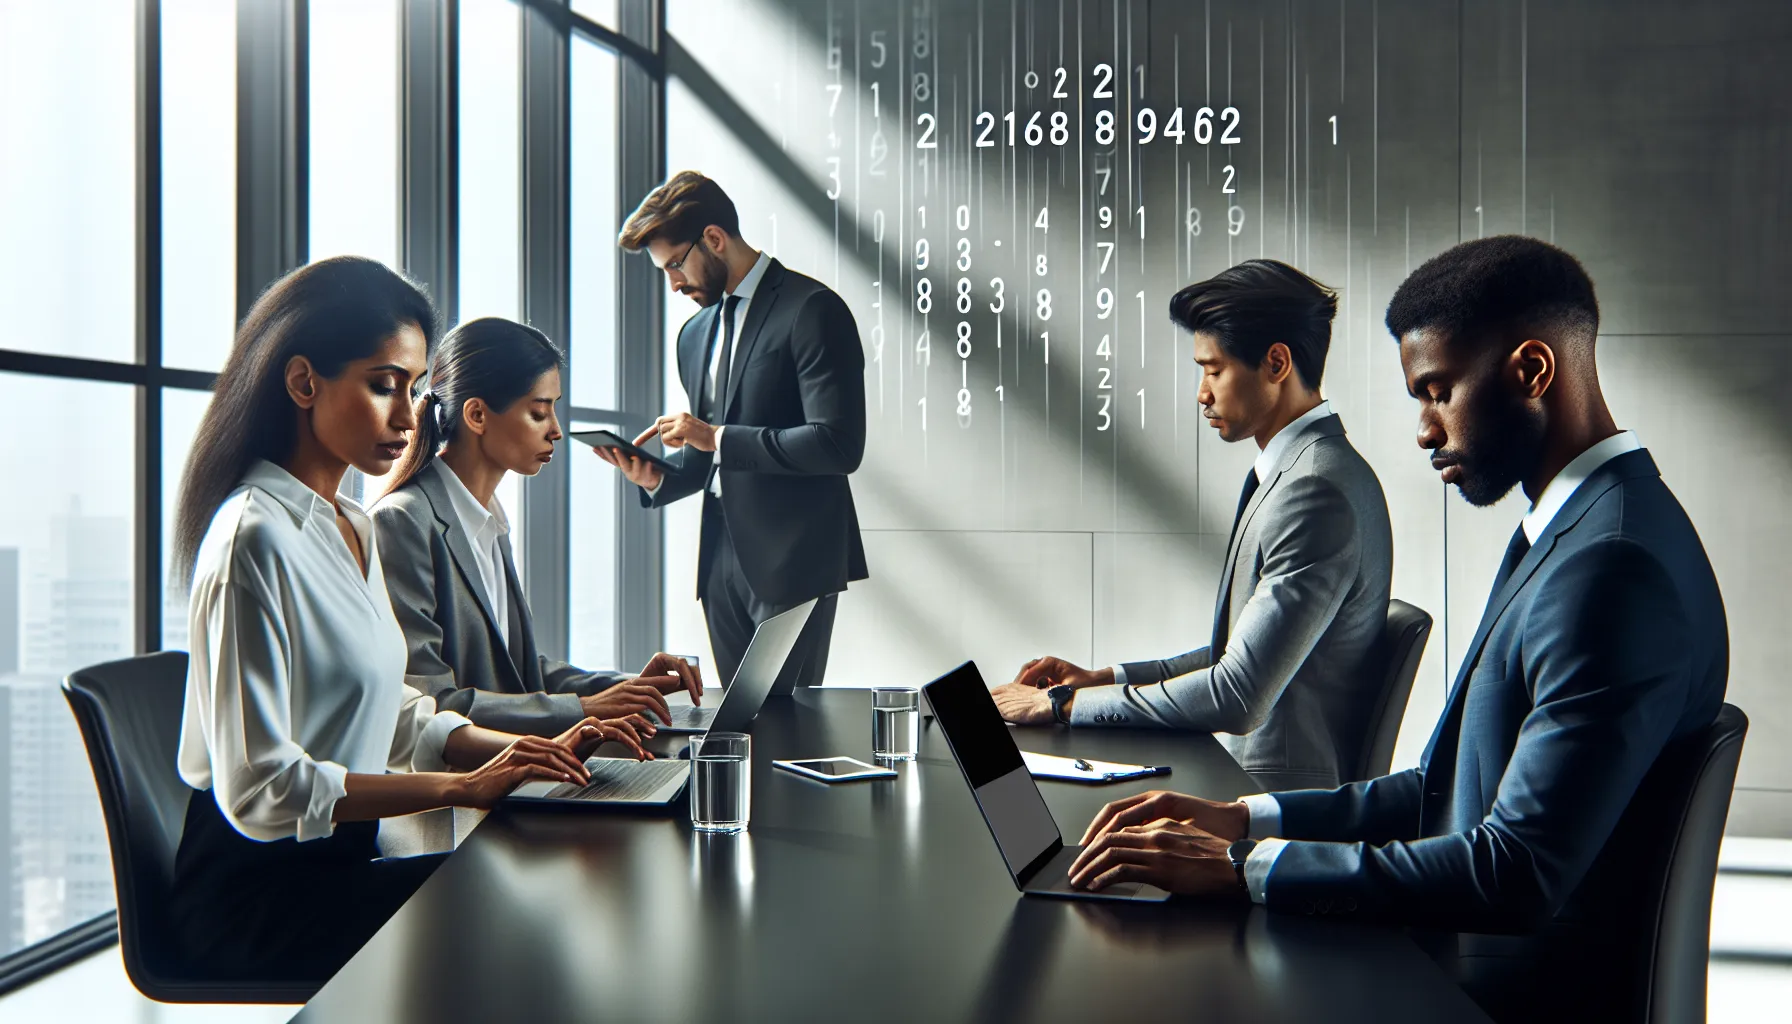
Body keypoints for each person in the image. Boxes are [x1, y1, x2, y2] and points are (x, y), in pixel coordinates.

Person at [1064, 237, 1728, 1024]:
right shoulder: (1580, 533)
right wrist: (1246, 820)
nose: (1422, 430)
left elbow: (1512, 872)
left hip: (1490, 993)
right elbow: (1442, 789)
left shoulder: (1611, 570)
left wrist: (1246, 868)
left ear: (1531, 371)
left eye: (1437, 392)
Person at [168, 257, 651, 984]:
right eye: (382, 384)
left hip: (345, 860)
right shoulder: (253, 540)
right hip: (259, 895)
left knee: (555, 888)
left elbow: (401, 716)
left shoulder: (349, 526)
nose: (407, 415)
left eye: (416, 389)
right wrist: (459, 788)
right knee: (533, 917)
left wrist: (514, 755)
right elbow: (260, 789)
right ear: (304, 383)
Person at [989, 260, 1393, 792]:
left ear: (1276, 363)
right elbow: (1238, 651)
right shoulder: (1309, 472)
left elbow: (1239, 693)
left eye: (1213, 369)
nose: (1202, 393)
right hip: (1236, 774)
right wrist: (1101, 680)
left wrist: (1060, 704)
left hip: (1268, 796)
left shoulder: (1314, 491)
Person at [599, 171, 868, 692]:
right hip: (720, 558)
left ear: (715, 239)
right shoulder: (694, 334)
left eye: (675, 264)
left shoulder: (812, 310)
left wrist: (715, 436)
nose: (673, 283)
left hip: (794, 559)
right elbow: (707, 461)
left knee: (790, 727)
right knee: (740, 727)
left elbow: (838, 443)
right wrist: (656, 478)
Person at [371, 316, 701, 737]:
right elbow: (431, 703)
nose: (556, 431)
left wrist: (628, 687)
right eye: (539, 412)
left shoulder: (488, 520)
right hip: (463, 791)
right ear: (477, 414)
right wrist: (584, 708)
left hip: (520, 770)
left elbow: (519, 674)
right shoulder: (403, 522)